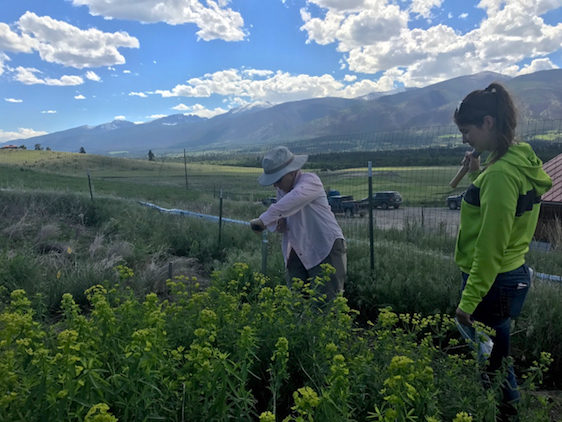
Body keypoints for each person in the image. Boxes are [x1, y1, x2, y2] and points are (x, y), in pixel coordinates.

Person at [453, 82, 552, 420]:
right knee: (499, 357)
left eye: (467, 131)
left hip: (492, 282)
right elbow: (496, 213)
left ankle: (506, 416)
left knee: (492, 367)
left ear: (488, 123)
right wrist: (479, 174)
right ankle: (508, 412)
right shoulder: (520, 161)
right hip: (513, 274)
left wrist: (467, 302)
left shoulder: (500, 176)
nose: (466, 140)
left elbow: (490, 245)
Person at [250, 146, 347, 301]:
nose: (275, 185)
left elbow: (294, 199)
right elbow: (284, 221)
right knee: (296, 302)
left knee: (326, 305)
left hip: (325, 248)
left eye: (277, 180)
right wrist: (277, 222)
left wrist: (263, 220)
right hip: (298, 249)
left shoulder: (310, 181)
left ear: (291, 172)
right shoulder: (282, 190)